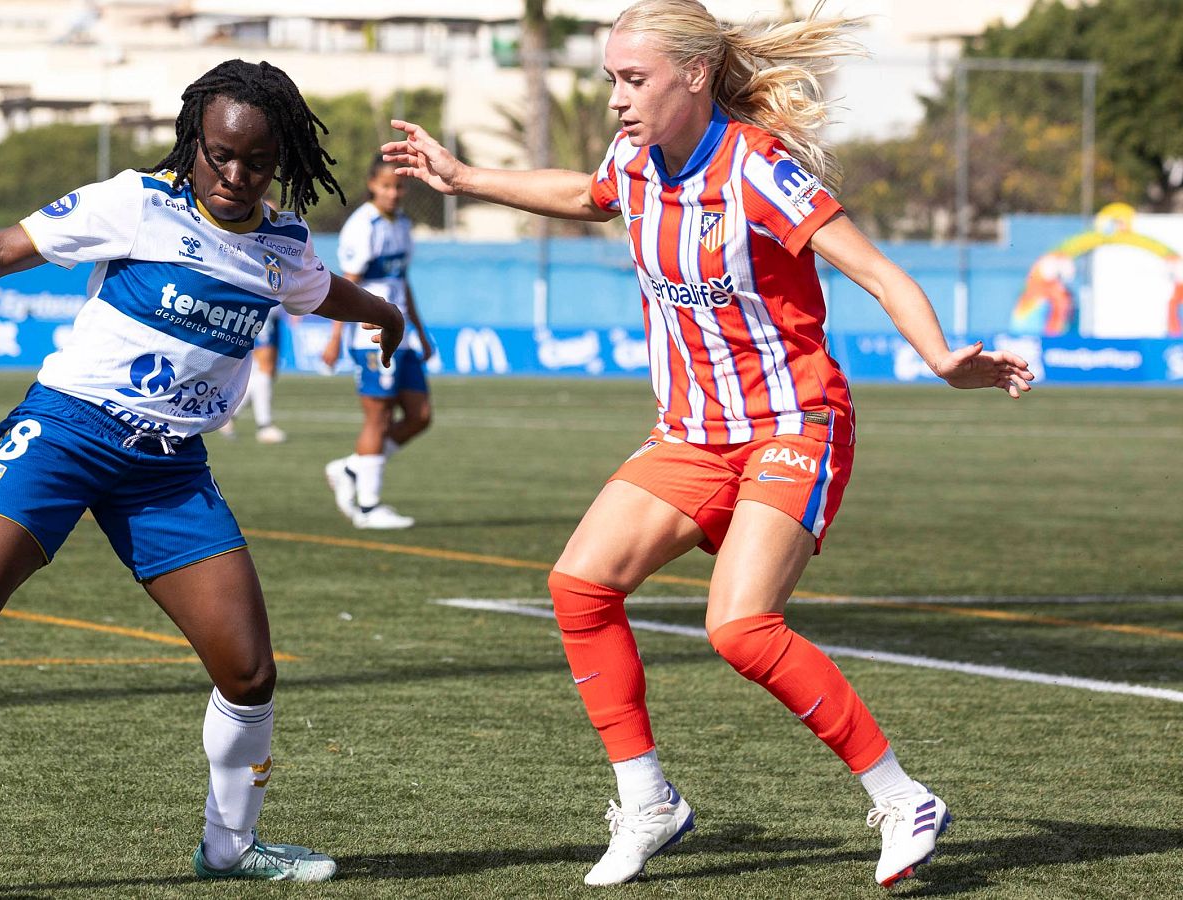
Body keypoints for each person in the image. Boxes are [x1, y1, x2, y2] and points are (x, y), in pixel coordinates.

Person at [383, 0, 1033, 888]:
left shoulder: (760, 171)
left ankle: (899, 795)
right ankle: (648, 801)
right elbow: (584, 193)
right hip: (691, 433)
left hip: (792, 424)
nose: (616, 97)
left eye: (634, 78)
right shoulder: (636, 159)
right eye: (612, 77)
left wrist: (944, 359)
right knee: (579, 586)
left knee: (739, 627)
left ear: (694, 76)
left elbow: (876, 270)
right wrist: (462, 177)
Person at [0, 59, 403, 887]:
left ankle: (230, 847)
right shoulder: (137, 202)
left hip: (170, 471)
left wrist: (385, 313)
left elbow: (319, 293)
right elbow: (1, 248)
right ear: (196, 142)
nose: (235, 175)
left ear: (281, 157)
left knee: (249, 672)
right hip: (67, 432)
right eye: (219, 154)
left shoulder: (284, 243)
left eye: (256, 161)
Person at [321, 156, 433, 530]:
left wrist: (420, 329)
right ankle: (368, 506)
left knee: (420, 416)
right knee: (379, 416)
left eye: (399, 186)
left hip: (401, 335)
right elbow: (345, 288)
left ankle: (352, 469)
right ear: (372, 184)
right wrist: (335, 337)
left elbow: (404, 282)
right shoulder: (361, 227)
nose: (393, 192)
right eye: (386, 186)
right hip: (369, 335)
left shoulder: (402, 224)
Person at [219, 304, 290, 443]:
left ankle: (228, 416)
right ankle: (264, 426)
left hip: (275, 309)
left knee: (264, 371)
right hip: (264, 307)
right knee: (265, 368)